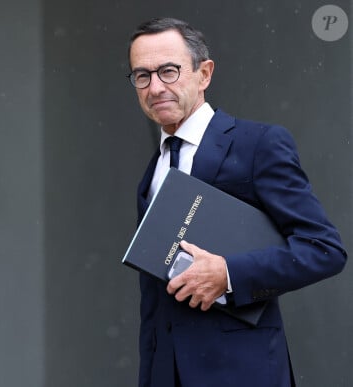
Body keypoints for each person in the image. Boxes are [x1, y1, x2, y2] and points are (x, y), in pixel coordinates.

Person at [126, 17, 347, 387]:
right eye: (142, 76)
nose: (155, 87)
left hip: (242, 372)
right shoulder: (155, 166)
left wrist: (228, 274)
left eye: (168, 71)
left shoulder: (257, 144)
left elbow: (323, 249)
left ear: (204, 74)